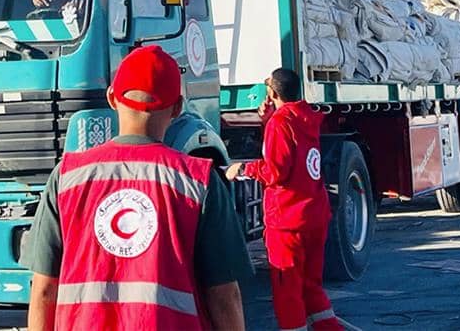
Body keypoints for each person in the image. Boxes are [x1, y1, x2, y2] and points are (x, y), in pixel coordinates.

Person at [23, 45, 252, 331]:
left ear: (111, 98)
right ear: (178, 107)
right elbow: (224, 295)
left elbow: (44, 289)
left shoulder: (67, 177)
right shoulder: (199, 181)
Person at [226, 68, 342, 331]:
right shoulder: (305, 117)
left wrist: (243, 169)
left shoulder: (281, 123)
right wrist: (270, 119)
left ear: (273, 92)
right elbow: (293, 152)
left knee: (287, 292)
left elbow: (276, 170)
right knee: (311, 288)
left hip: (288, 221)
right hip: (314, 215)